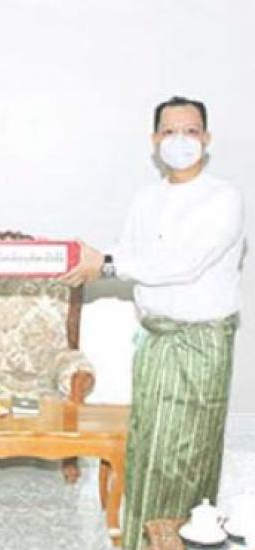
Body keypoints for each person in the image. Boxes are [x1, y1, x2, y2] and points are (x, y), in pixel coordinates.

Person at [61, 96, 244, 550]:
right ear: (154, 140)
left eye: (191, 131)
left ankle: (179, 540)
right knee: (147, 450)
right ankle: (139, 542)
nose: (180, 141)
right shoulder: (147, 197)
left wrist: (104, 263)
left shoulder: (223, 198)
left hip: (199, 344)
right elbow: (128, 252)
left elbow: (183, 263)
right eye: (169, 131)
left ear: (207, 139)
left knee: (184, 455)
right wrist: (87, 260)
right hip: (155, 340)